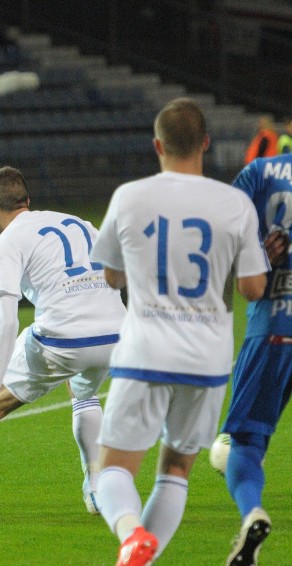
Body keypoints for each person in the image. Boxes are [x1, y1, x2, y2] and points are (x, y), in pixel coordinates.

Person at [89, 97, 268, 566]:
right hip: (207, 358)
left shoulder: (130, 196)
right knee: (175, 471)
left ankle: (131, 535)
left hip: (146, 350)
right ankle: (138, 556)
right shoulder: (234, 204)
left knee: (113, 469)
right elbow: (253, 288)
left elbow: (110, 276)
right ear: (205, 144)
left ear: (157, 145)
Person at [0, 165, 126, 524]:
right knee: (83, 393)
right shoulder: (79, 222)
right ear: (27, 201)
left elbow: (7, 318)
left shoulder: (7, 244)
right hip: (115, 335)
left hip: (62, 338)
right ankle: (95, 489)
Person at [214, 151, 292, 566]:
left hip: (276, 326)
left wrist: (261, 256)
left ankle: (253, 514)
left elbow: (224, 239)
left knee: (244, 444)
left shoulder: (261, 173)